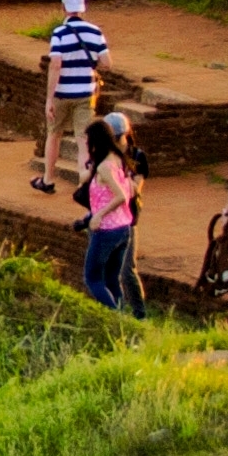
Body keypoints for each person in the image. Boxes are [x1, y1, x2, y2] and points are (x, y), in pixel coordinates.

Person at [34, 0, 108, 192]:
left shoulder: (59, 33)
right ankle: (83, 183)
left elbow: (55, 64)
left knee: (54, 134)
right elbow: (107, 62)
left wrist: (49, 98)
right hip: (85, 92)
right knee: (83, 139)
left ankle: (48, 180)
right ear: (82, 9)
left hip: (62, 92)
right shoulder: (95, 32)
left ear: (64, 8)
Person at [79, 115, 144, 317]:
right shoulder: (118, 160)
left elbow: (121, 196)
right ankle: (122, 316)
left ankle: (116, 315)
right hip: (124, 228)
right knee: (111, 279)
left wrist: (98, 215)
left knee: (92, 278)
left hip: (107, 230)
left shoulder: (104, 167)